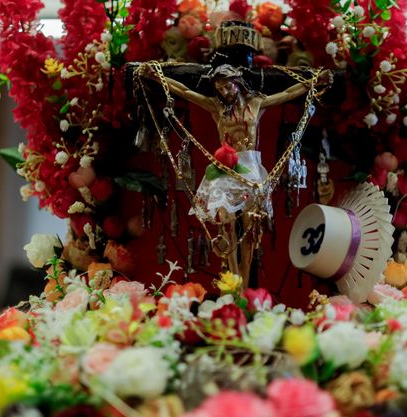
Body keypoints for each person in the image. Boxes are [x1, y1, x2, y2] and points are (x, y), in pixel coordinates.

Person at [140, 62, 328, 281]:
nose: (225, 92)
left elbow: (286, 93)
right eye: (220, 89)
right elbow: (184, 91)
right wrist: (156, 77)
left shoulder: (256, 103)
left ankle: (246, 277)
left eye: (228, 86)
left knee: (251, 226)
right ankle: (233, 274)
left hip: (249, 168)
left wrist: (314, 82)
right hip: (225, 169)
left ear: (237, 83)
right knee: (226, 224)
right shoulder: (216, 107)